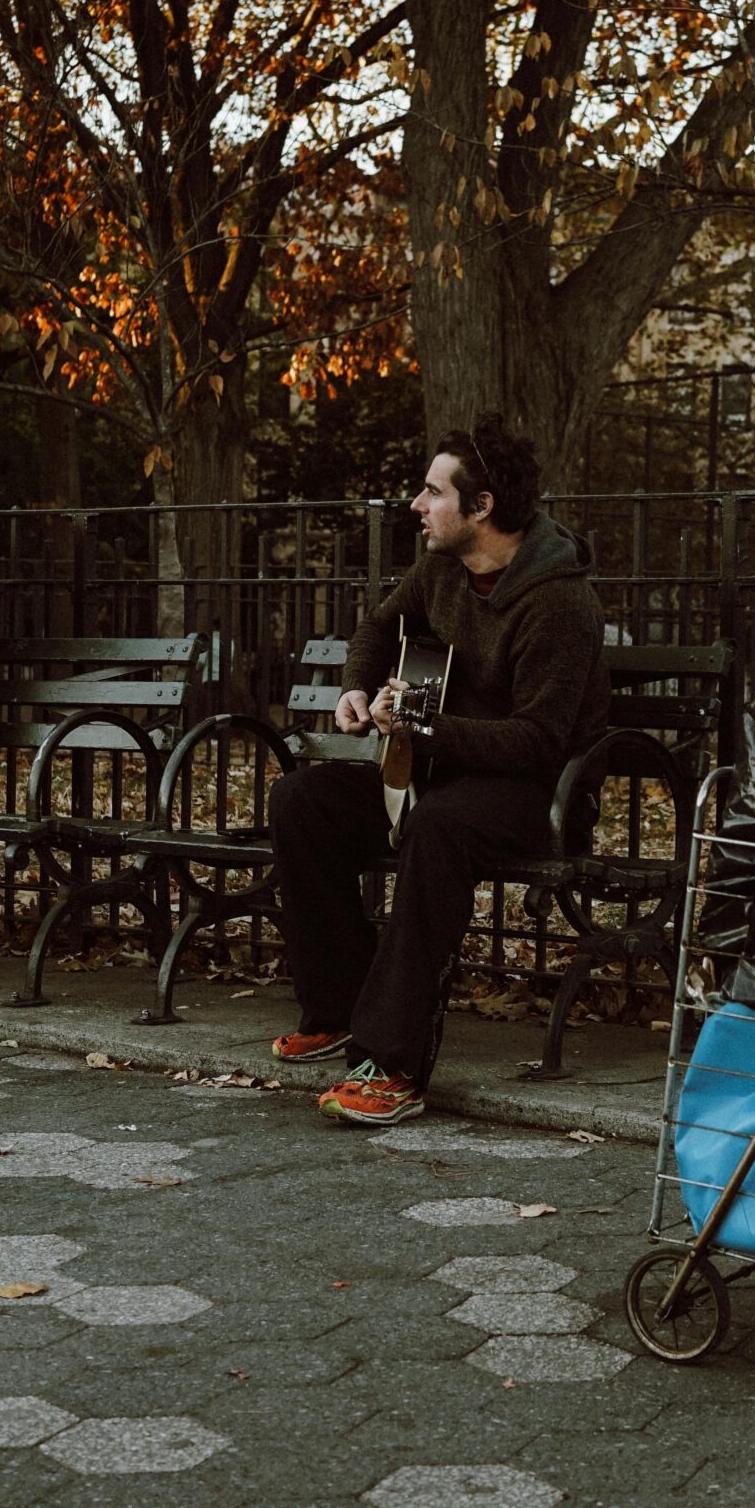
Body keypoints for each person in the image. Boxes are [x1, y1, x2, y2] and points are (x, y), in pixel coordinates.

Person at [269, 418, 610, 1126]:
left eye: (432, 491)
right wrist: (358, 687)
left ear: (481, 507)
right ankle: (335, 1006)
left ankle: (392, 1063)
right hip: (442, 776)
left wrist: (428, 730)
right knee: (302, 799)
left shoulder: (560, 601)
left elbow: (539, 742)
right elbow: (375, 627)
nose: (417, 505)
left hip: (536, 797)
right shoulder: (440, 570)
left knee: (437, 828)